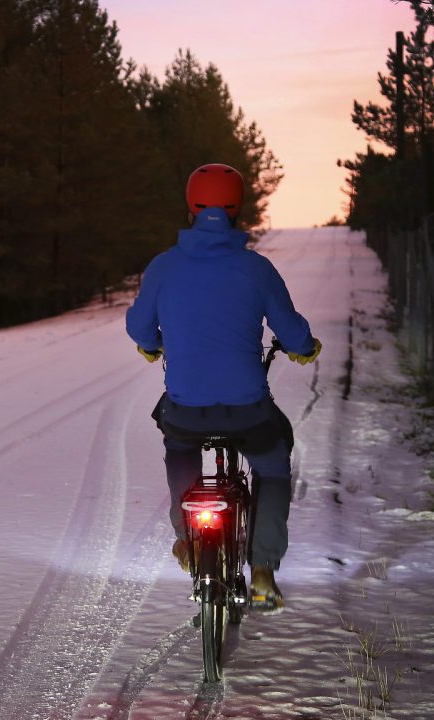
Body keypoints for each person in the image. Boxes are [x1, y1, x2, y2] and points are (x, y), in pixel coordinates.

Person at [125, 162, 321, 613]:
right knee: (272, 463)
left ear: (191, 207)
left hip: (187, 407)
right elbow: (292, 332)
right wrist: (304, 349)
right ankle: (264, 573)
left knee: (179, 445)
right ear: (238, 209)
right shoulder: (256, 268)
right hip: (248, 408)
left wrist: (153, 345)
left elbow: (140, 328)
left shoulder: (163, 266)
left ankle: (186, 537)